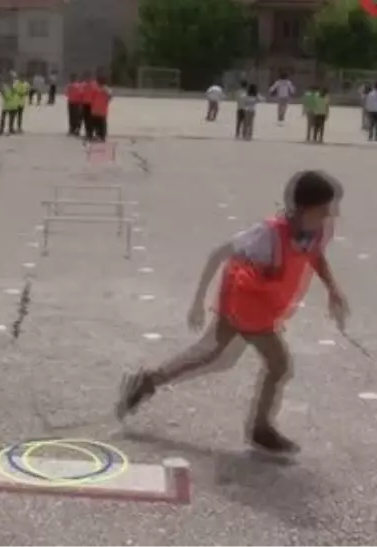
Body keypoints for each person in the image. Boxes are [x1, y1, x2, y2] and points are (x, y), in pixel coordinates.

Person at [114, 170, 350, 455]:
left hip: (255, 308)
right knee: (279, 364)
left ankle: (147, 381)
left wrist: (332, 288)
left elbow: (314, 255)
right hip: (247, 308)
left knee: (207, 354)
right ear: (301, 209)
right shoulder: (267, 234)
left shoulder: (311, 232)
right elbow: (218, 254)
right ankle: (260, 430)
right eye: (323, 210)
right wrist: (198, 301)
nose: (329, 215)